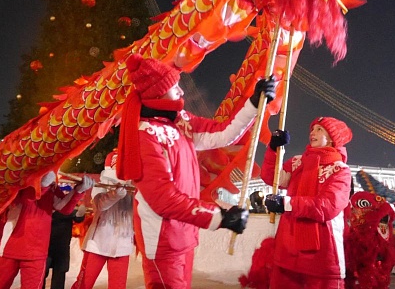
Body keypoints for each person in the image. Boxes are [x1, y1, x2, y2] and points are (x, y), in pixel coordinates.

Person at [116, 54, 277, 289]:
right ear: (158, 94)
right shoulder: (146, 135)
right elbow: (163, 198)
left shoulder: (181, 122)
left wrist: (253, 104)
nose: (181, 92)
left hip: (184, 235)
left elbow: (223, 133)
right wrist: (219, 217)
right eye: (174, 87)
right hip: (162, 240)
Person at [262, 116, 353, 289]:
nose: (313, 132)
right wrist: (273, 149)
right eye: (312, 129)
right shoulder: (298, 162)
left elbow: (328, 206)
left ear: (332, 138)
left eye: (319, 129)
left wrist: (287, 204)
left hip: (322, 254)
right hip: (288, 250)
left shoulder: (340, 170)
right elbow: (272, 178)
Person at [0, 171, 94, 289]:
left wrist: (78, 191)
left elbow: (64, 208)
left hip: (37, 251)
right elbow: (26, 198)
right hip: (10, 247)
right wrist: (42, 185)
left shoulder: (52, 187)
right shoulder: (20, 180)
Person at [72, 149, 134, 289]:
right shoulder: (100, 185)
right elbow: (100, 205)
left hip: (122, 246)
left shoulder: (132, 187)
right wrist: (115, 195)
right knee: (84, 284)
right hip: (97, 243)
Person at [45, 206, 86, 289]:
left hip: (62, 247)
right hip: (45, 246)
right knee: (41, 274)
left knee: (60, 274)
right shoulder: (47, 203)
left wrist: (81, 211)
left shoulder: (69, 205)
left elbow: (78, 218)